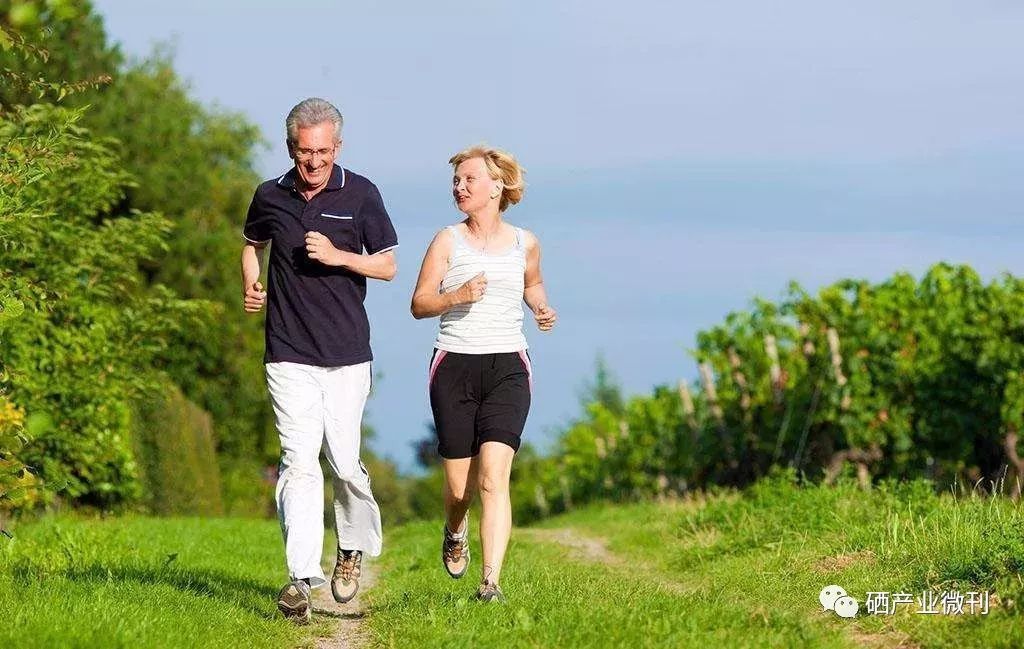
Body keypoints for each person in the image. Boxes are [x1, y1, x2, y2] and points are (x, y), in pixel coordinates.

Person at [241, 97, 398, 622]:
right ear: (291, 148)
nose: (314, 162)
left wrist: (338, 257)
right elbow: (251, 244)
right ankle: (300, 579)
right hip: (288, 351)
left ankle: (350, 547)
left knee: (344, 462)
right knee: (299, 460)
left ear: (338, 147)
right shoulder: (270, 194)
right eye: (305, 152)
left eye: (323, 152)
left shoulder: (361, 193)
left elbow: (388, 266)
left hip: (347, 353)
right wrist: (251, 282)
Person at [410, 145, 557, 603]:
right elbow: (420, 303)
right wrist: (456, 296)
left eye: (468, 179)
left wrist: (540, 307)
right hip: (454, 364)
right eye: (456, 181)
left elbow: (532, 283)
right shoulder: (447, 241)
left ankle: (490, 583)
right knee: (460, 489)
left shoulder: (525, 242)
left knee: (494, 477)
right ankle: (455, 529)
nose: (459, 187)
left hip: (507, 366)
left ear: (497, 186)